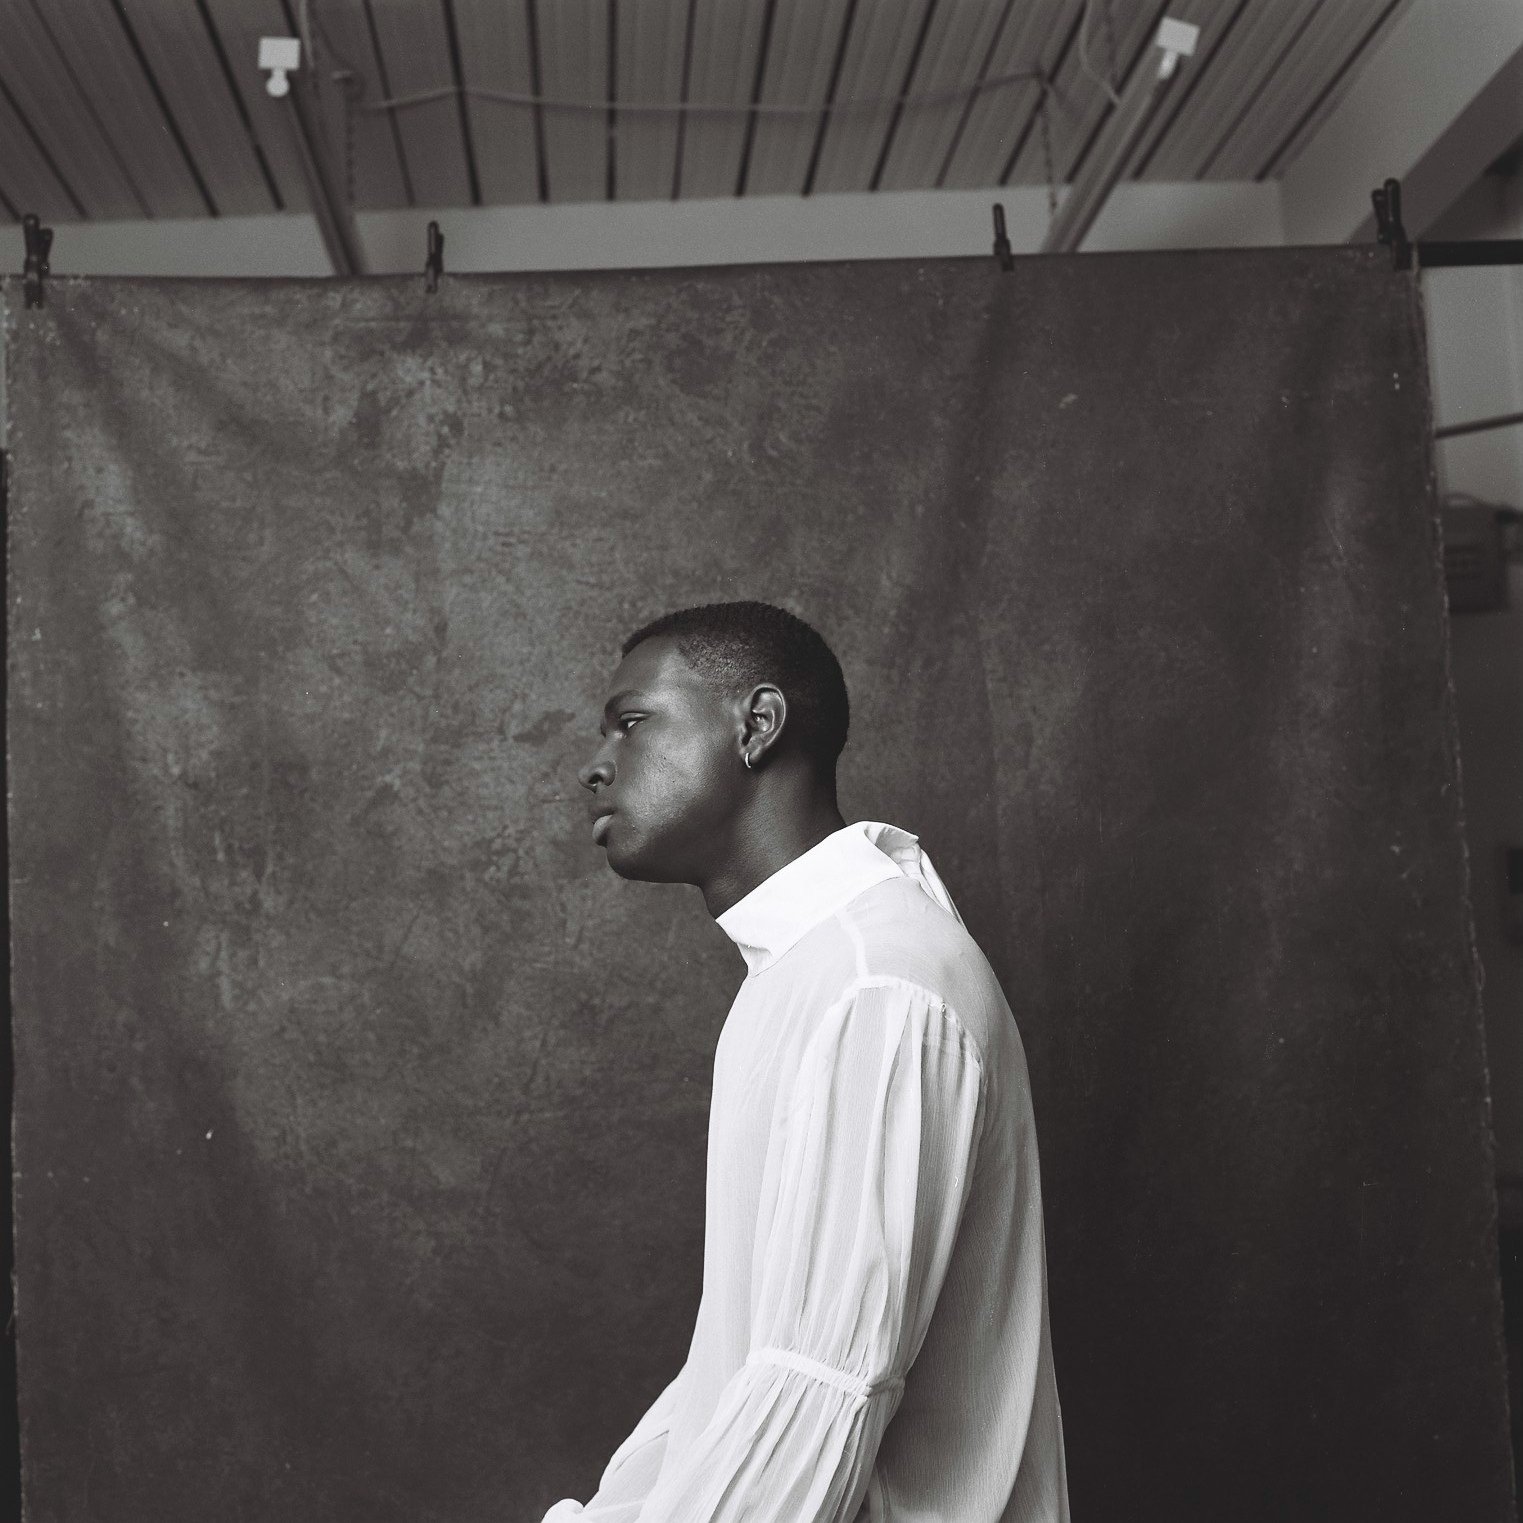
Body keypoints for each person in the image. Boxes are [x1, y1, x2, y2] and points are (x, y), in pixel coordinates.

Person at [548, 600, 1068, 1522]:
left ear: (756, 725)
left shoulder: (873, 987)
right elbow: (742, 1376)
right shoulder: (814, 970)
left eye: (631, 723)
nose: (595, 765)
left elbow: (815, 1401)